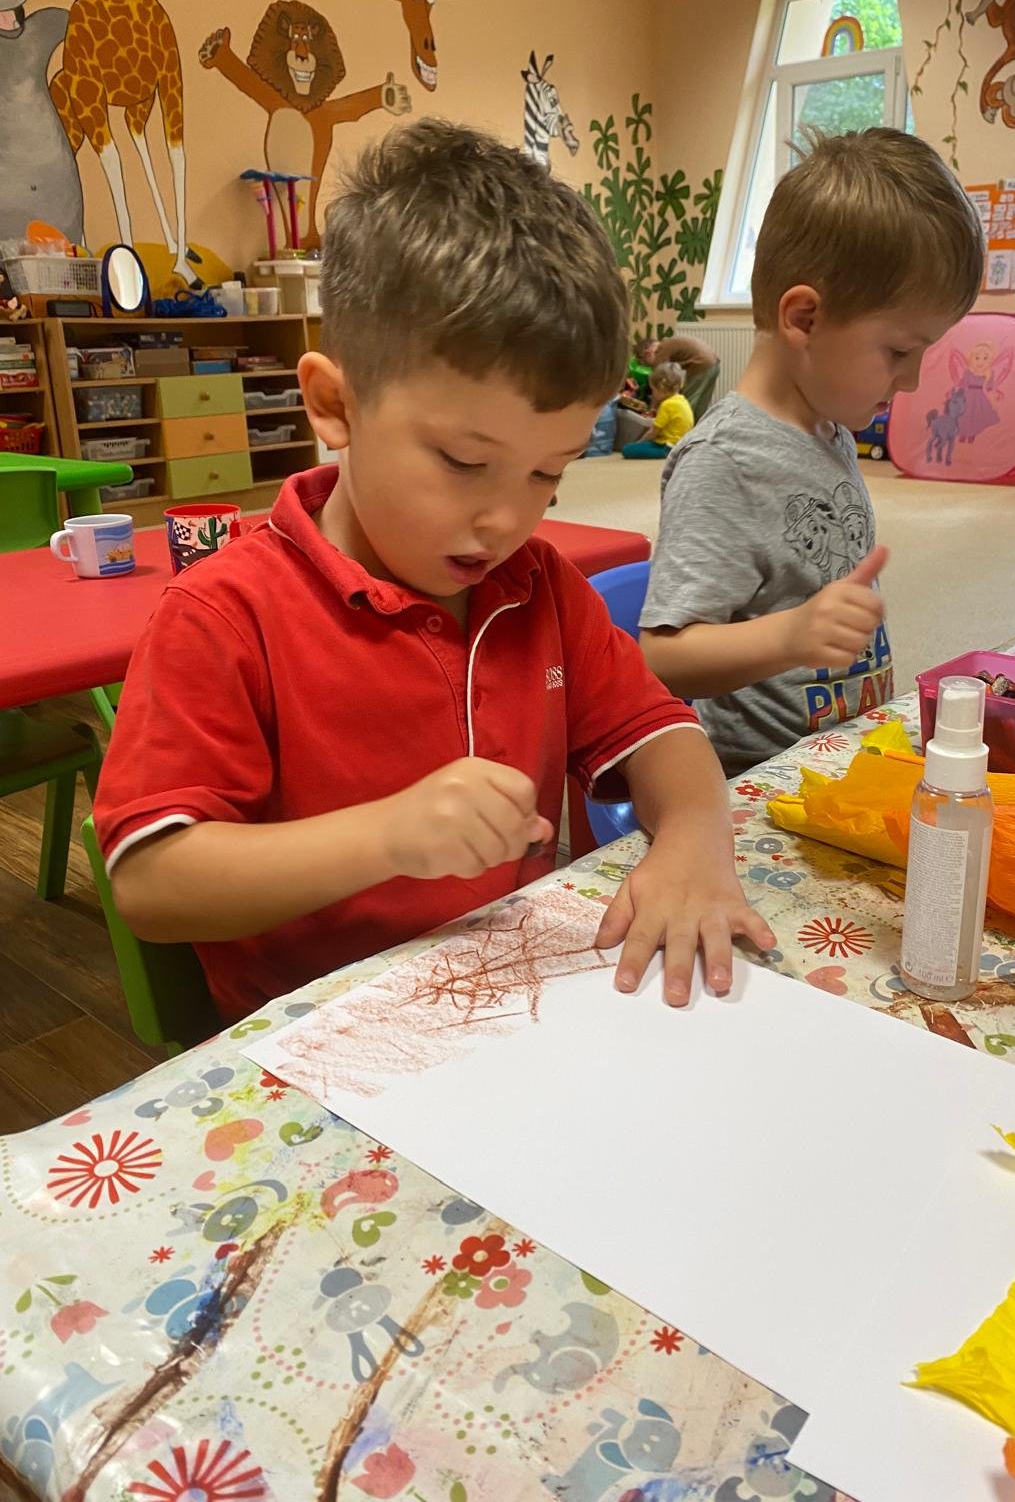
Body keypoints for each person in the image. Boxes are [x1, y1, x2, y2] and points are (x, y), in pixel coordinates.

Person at [93, 121, 774, 1019]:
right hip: (321, 1036)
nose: (507, 519)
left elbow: (662, 733)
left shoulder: (538, 589)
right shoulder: (226, 615)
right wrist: (385, 837)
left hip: (513, 997)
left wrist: (693, 837)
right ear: (334, 405)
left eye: (548, 473)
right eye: (463, 461)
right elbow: (150, 883)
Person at [639, 127, 984, 778]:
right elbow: (660, 658)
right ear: (804, 318)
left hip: (841, 762)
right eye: (899, 351)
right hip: (759, 784)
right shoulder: (724, 460)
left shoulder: (829, 429)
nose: (912, 381)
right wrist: (791, 636)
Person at [637, 333, 720, 419]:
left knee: (687, 404)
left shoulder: (660, 353)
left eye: (646, 364)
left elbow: (657, 386)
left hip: (700, 365)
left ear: (647, 354)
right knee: (701, 405)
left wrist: (652, 409)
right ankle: (699, 425)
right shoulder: (667, 343)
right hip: (714, 362)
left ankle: (682, 425)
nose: (650, 367)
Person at [621, 361, 694, 459]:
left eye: (653, 390)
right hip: (681, 443)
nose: (653, 395)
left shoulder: (667, 404)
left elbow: (653, 432)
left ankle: (667, 454)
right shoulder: (681, 399)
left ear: (660, 387)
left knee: (627, 449)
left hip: (668, 446)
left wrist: (639, 443)